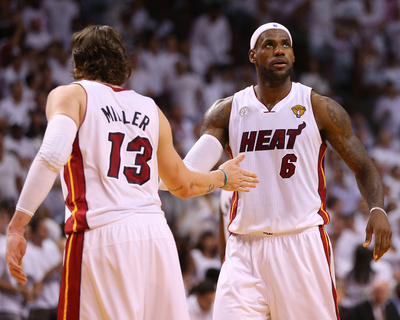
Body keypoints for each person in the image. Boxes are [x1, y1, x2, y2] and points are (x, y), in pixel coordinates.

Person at [5, 25, 259, 320]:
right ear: (124, 64)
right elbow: (182, 185)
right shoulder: (151, 109)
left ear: (77, 63)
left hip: (102, 233)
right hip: (156, 236)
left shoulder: (71, 95)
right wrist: (222, 177)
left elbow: (51, 154)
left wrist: (17, 226)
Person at [179, 22, 392, 319]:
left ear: (293, 56)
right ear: (252, 55)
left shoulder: (319, 107)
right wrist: (214, 178)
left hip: (300, 243)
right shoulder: (225, 111)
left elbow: (364, 166)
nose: (279, 49)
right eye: (269, 45)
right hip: (244, 248)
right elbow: (186, 175)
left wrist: (377, 210)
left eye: (285, 44)